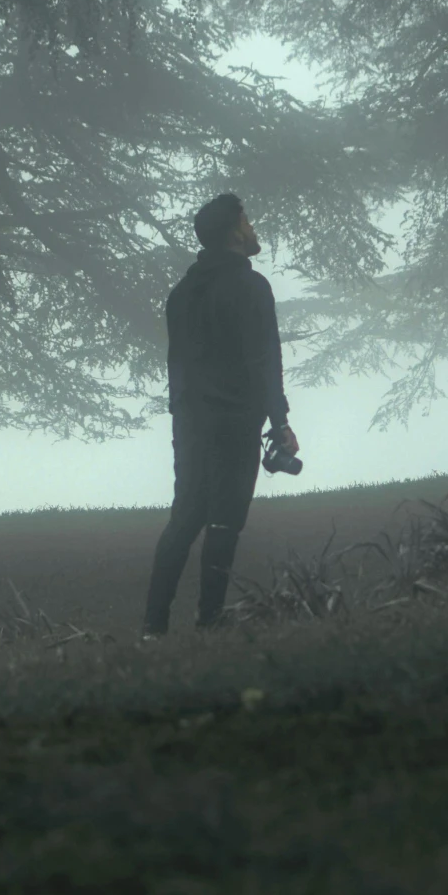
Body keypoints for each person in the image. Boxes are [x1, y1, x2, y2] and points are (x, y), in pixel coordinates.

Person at [142, 193, 299, 636]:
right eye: (247, 220)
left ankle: (153, 627)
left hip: (190, 421)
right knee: (225, 520)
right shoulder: (251, 286)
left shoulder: (181, 294)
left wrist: (183, 414)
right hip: (234, 420)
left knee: (185, 517)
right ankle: (210, 619)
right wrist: (279, 421)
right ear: (233, 232)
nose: (252, 228)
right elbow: (263, 358)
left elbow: (179, 364)